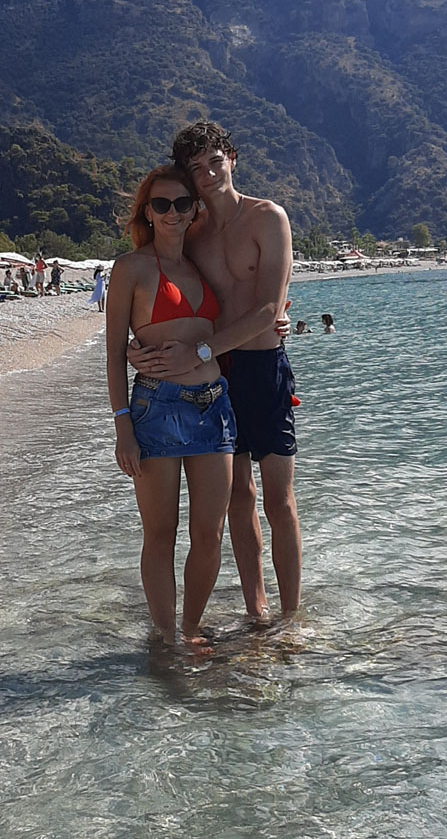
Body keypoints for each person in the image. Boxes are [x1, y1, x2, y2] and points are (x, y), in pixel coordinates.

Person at [129, 120, 301, 618]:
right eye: (196, 168)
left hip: (262, 366)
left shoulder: (268, 217)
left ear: (232, 160)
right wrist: (137, 346)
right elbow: (163, 294)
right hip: (217, 375)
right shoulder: (192, 232)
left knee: (279, 500)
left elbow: (268, 308)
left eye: (215, 161)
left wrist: (202, 351)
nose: (207, 174)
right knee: (238, 498)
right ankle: (257, 609)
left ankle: (291, 618)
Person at [106, 164, 236, 649]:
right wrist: (122, 426)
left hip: (214, 407)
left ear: (194, 208)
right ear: (147, 211)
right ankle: (164, 639)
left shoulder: (202, 262)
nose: (172, 213)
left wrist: (278, 321)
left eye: (182, 203)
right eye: (161, 204)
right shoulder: (131, 268)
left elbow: (243, 311)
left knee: (210, 533)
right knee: (161, 533)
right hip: (156, 409)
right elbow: (113, 353)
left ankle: (190, 629)